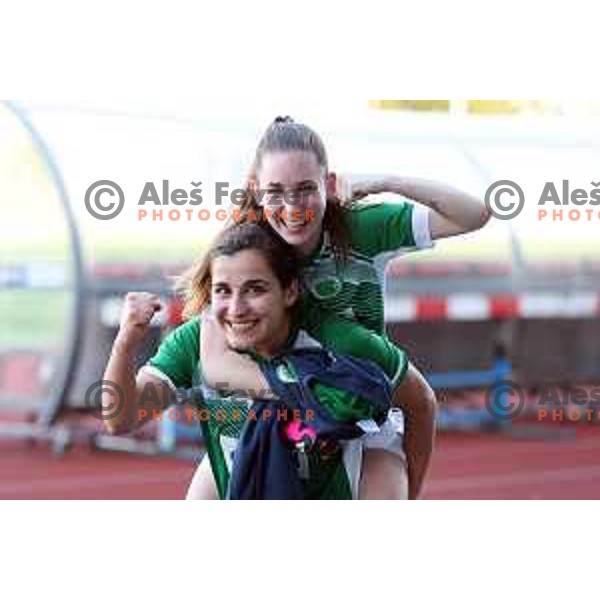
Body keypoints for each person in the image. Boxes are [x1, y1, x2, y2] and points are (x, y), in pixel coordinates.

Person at [192, 116, 491, 499]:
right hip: (268, 418)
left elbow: (474, 214)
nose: (292, 207)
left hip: (362, 410)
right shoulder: (249, 245)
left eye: (305, 189)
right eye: (276, 191)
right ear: (256, 191)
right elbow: (216, 364)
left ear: (328, 184)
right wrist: (308, 392)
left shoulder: (361, 227)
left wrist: (385, 181)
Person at [102, 224, 411, 499]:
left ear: (289, 290)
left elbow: (419, 403)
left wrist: (406, 484)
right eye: (223, 290)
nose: (237, 309)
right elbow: (121, 419)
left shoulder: (341, 340)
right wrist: (126, 341)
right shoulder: (195, 342)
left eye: (255, 289)